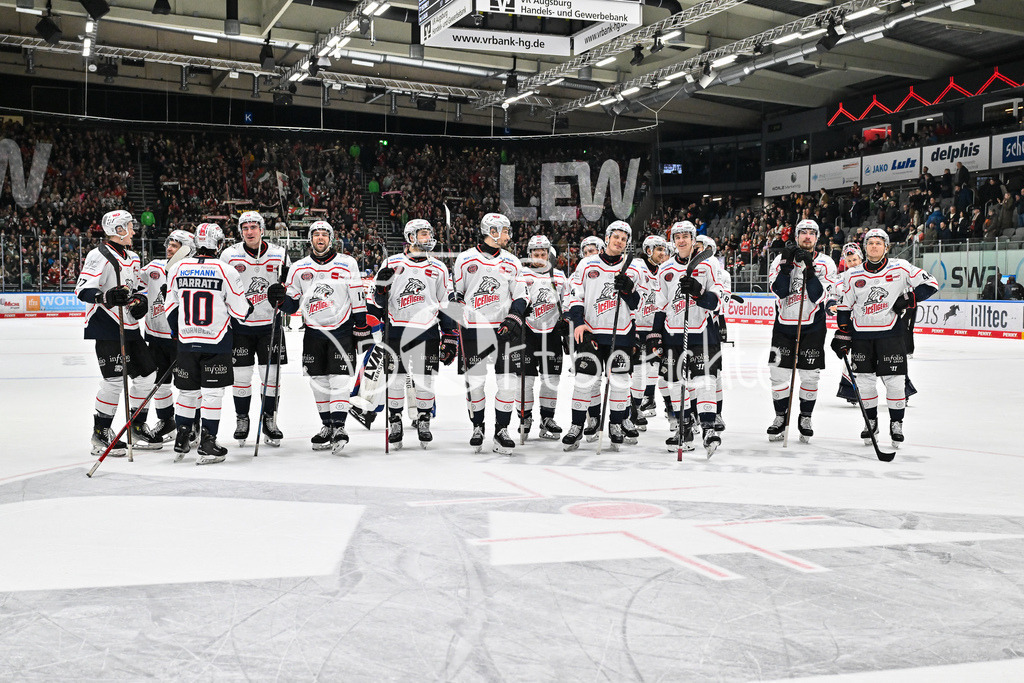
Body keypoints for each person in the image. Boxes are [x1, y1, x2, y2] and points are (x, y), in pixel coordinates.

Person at [832, 228, 938, 447]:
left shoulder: (900, 267)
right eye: (870, 242)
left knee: (896, 384)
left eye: (879, 243)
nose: (874, 246)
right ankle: (871, 422)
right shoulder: (852, 275)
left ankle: (896, 423)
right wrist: (843, 331)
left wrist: (908, 299)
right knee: (865, 384)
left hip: (891, 335)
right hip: (862, 337)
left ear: (886, 247)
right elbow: (844, 307)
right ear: (865, 248)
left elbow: (931, 284)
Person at [272, 220, 370, 454]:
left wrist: (361, 326)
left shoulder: (347, 263)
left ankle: (339, 426)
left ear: (331, 238)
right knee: (318, 381)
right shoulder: (299, 267)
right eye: (316, 234)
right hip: (314, 331)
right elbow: (292, 303)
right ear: (310, 239)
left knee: (339, 378)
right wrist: (278, 298)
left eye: (324, 234)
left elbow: (357, 298)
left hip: (342, 329)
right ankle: (327, 426)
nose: (320, 238)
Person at [75, 209, 162, 456]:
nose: (133, 231)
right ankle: (100, 432)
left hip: (130, 327)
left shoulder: (132, 257)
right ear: (118, 230)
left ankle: (135, 424)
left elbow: (135, 289)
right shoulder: (98, 255)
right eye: (129, 227)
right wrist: (105, 296)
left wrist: (139, 301)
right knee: (113, 381)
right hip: (106, 325)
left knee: (148, 375)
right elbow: (82, 290)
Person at [164, 223, 253, 464]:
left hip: (186, 341)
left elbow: (170, 308)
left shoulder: (178, 268)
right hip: (216, 342)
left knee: (186, 392)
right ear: (220, 243)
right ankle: (207, 441)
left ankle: (182, 437)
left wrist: (180, 331)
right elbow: (240, 311)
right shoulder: (226, 270)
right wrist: (250, 306)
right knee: (212, 394)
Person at [371, 218, 454, 449]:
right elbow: (377, 301)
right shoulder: (391, 263)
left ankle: (424, 419)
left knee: (425, 380)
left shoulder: (439, 267)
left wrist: (450, 335)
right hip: (396, 329)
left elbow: (446, 303)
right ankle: (395, 419)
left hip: (427, 330)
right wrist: (381, 288)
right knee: (395, 378)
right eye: (423, 234)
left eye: (429, 233)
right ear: (410, 238)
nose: (428, 237)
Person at [451, 213, 529, 455]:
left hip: (504, 331)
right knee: (476, 383)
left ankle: (502, 430)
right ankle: (477, 427)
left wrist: (513, 318)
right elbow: (456, 295)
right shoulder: (464, 259)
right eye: (504, 231)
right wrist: (456, 303)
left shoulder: (513, 261)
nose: (508, 235)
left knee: (507, 384)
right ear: (492, 231)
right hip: (474, 331)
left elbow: (522, 295)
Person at [562, 220, 641, 451]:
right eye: (616, 237)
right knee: (584, 381)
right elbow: (576, 296)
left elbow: (639, 304)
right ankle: (577, 426)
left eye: (624, 239)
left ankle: (615, 425)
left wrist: (628, 289)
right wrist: (577, 323)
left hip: (622, 333)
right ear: (607, 238)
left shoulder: (633, 268)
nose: (619, 242)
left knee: (619, 383)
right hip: (591, 333)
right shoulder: (587, 264)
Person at [647, 220, 723, 457]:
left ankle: (709, 428)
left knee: (704, 381)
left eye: (685, 236)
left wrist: (700, 292)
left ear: (693, 239)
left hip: (701, 332)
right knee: (675, 383)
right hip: (672, 333)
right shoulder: (666, 269)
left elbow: (717, 302)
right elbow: (660, 305)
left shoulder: (709, 265)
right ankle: (685, 427)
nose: (681, 240)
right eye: (677, 236)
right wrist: (655, 335)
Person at [765, 219, 838, 443]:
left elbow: (818, 295)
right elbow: (779, 291)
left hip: (813, 327)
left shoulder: (827, 263)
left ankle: (805, 417)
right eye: (803, 233)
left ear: (817, 238)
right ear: (796, 236)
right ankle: (780, 416)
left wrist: (809, 269)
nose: (807, 237)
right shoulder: (780, 259)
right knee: (778, 374)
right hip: (784, 326)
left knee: (810, 375)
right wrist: (788, 266)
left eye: (811, 233)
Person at [221, 210, 289, 447]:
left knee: (271, 378)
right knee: (241, 377)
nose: (249, 232)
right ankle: (242, 418)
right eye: (245, 228)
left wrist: (284, 295)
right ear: (240, 231)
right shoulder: (229, 255)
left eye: (253, 227)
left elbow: (289, 289)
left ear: (262, 229)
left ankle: (269, 419)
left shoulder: (279, 254)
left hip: (270, 325)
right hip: (240, 326)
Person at [140, 228, 195, 443]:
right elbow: (135, 284)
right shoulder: (154, 267)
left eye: (175, 245)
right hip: (155, 336)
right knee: (159, 383)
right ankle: (166, 421)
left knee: (187, 384)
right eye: (169, 245)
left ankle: (191, 425)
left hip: (181, 337)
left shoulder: (192, 270)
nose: (169, 248)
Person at [515, 234, 569, 440]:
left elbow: (568, 303)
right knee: (526, 379)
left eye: (543, 253)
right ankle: (524, 416)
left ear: (549, 254)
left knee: (551, 379)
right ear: (530, 255)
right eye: (536, 254)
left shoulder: (559, 276)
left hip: (552, 333)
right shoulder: (522, 275)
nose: (539, 257)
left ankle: (547, 418)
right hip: (528, 332)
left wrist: (567, 322)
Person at [628, 234, 667, 432]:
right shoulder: (637, 266)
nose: (663, 253)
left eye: (664, 250)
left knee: (653, 369)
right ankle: (634, 409)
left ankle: (646, 401)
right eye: (658, 249)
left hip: (654, 328)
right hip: (636, 326)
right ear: (649, 250)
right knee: (637, 372)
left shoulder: (663, 270)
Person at [696, 234, 730, 431]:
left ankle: (716, 413)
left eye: (700, 247)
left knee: (713, 372)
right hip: (692, 327)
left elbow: (721, 304)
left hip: (711, 327)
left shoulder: (721, 273)